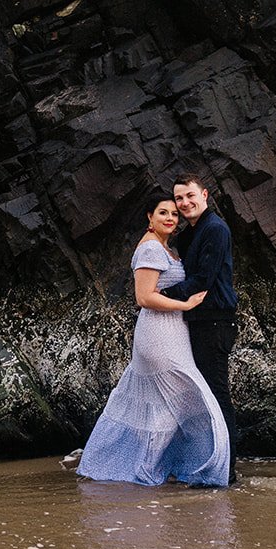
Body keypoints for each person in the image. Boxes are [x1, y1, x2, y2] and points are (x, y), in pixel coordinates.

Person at [77, 192, 232, 488]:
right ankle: (160, 471)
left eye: (174, 214)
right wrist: (185, 305)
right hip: (158, 334)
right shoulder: (150, 248)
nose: (171, 218)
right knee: (186, 399)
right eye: (163, 213)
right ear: (149, 217)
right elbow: (144, 297)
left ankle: (148, 469)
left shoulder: (167, 248)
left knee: (165, 407)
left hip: (173, 331)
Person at [162, 173, 239, 483]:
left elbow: (202, 282)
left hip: (216, 321)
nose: (185, 203)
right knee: (199, 397)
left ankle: (227, 471)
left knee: (218, 396)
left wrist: (157, 298)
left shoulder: (215, 229)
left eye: (190, 196)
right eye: (179, 198)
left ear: (204, 194)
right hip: (195, 321)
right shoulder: (189, 234)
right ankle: (204, 462)